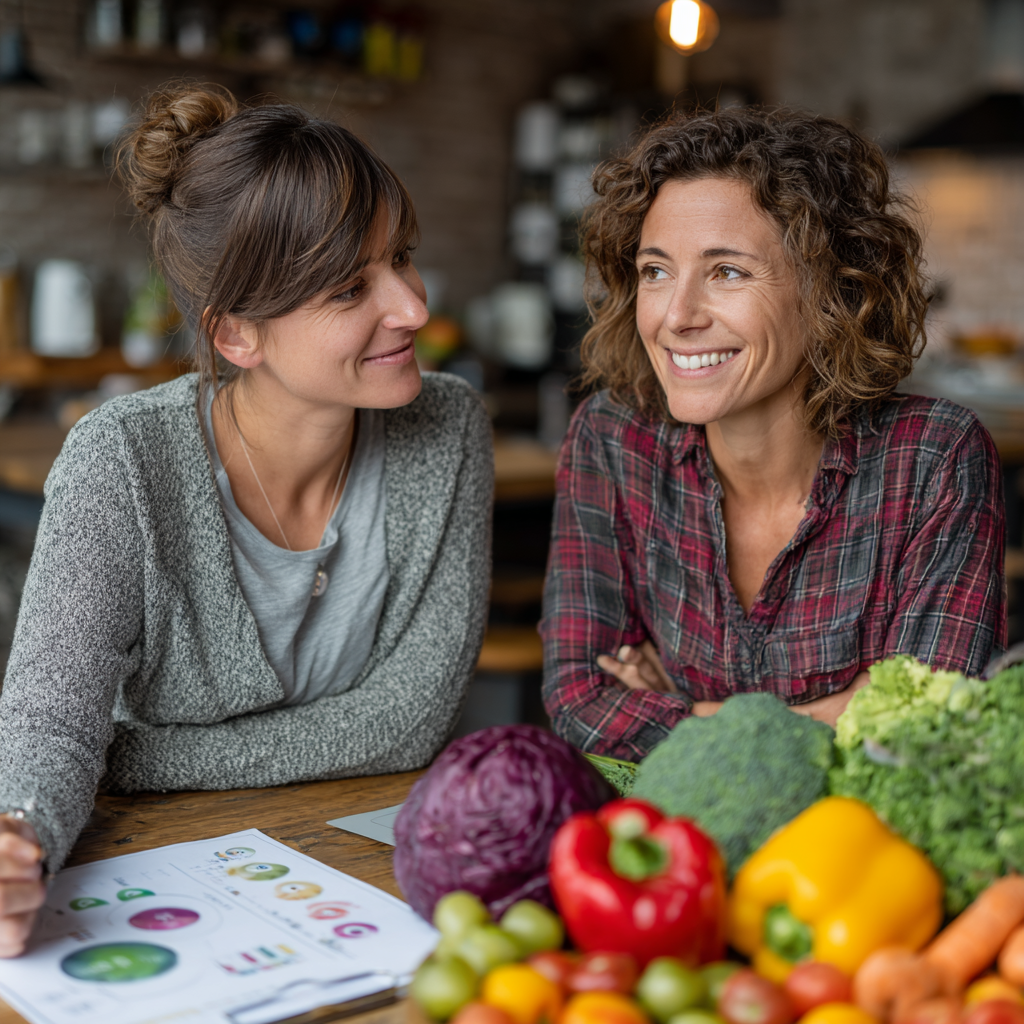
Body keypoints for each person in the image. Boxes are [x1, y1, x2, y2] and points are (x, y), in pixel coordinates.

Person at [0, 85, 493, 955]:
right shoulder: (124, 460)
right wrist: (22, 838)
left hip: (377, 887)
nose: (413, 307)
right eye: (351, 289)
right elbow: (47, 728)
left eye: (402, 258)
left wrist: (128, 756)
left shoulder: (448, 428)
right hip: (171, 880)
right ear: (237, 337)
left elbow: (408, 722)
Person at [540, 106, 1006, 761]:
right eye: (655, 270)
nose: (676, 316)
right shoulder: (614, 440)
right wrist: (839, 711)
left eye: (726, 271)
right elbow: (582, 701)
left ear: (831, 293)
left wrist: (676, 710)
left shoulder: (934, 457)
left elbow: (923, 726)